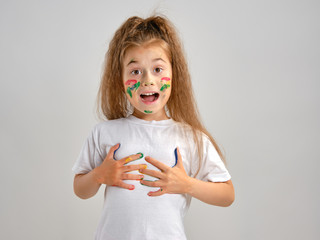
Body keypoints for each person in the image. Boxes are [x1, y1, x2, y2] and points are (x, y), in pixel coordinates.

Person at [72, 15, 235, 240]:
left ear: (174, 75)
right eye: (135, 71)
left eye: (157, 69)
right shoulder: (105, 133)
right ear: (120, 81)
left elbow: (227, 194)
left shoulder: (190, 138)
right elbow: (80, 189)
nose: (148, 80)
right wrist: (99, 175)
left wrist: (187, 184)